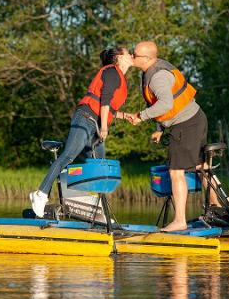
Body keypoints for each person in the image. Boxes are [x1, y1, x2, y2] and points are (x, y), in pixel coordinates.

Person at [29, 47, 134, 218]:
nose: (131, 54)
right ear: (118, 57)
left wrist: (124, 115)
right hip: (86, 117)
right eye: (128, 52)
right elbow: (105, 99)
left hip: (95, 122)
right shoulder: (112, 72)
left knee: (99, 166)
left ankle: (100, 213)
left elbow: (107, 106)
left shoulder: (119, 76)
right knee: (69, 156)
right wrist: (105, 128)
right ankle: (40, 194)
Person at [128, 41, 215, 232]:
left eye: (135, 54)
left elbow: (166, 104)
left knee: (176, 172)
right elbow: (167, 102)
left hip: (185, 125)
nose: (132, 57)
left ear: (149, 58)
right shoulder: (155, 67)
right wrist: (160, 128)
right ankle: (217, 209)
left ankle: (180, 221)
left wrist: (141, 116)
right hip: (196, 118)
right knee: (202, 167)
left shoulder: (157, 76)